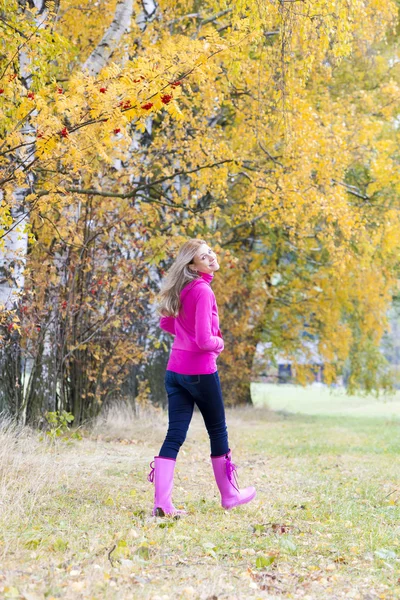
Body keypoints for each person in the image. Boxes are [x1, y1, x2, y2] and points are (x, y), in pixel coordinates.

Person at [147, 238, 256, 516]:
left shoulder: (182, 289)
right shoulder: (203, 291)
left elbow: (165, 322)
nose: (211, 257)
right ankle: (230, 494)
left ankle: (162, 503)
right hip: (200, 372)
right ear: (193, 266)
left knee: (174, 435)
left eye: (210, 252)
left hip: (175, 372)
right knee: (217, 431)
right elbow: (206, 340)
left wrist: (186, 335)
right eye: (204, 256)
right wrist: (220, 344)